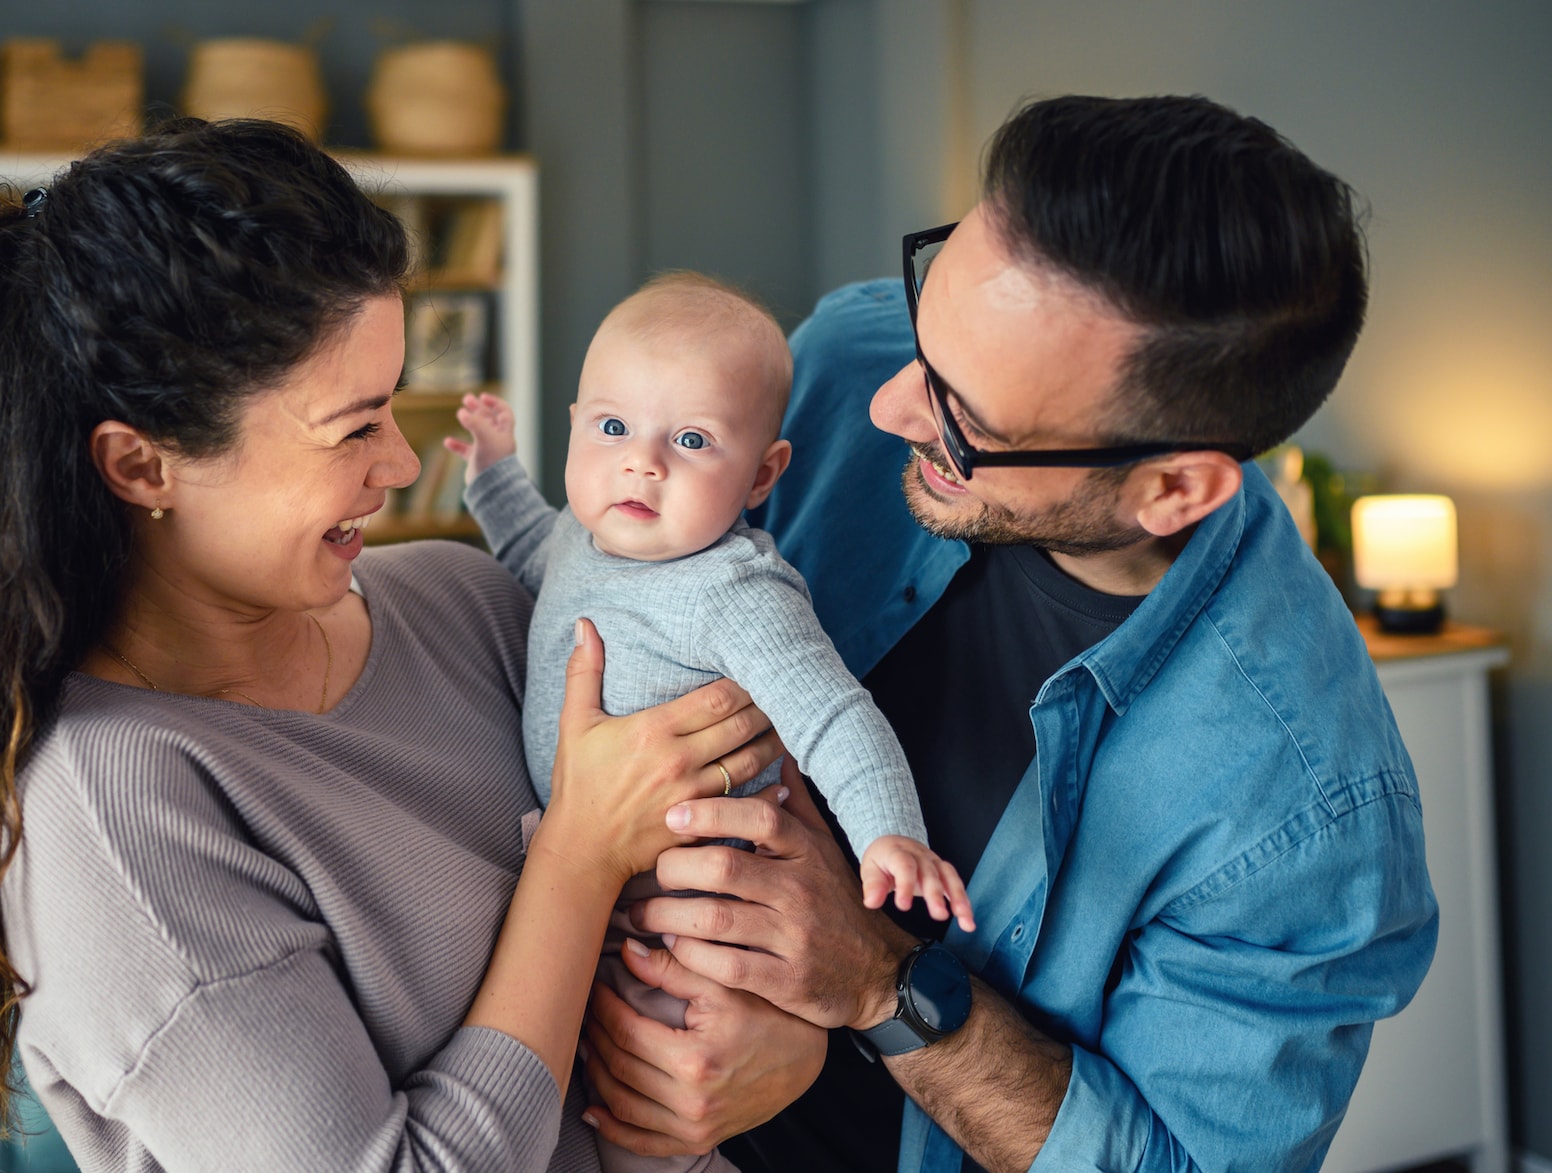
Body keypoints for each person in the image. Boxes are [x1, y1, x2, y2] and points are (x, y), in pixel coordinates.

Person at [0, 118, 797, 1172]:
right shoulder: (114, 815)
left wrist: (781, 1042)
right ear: (142, 467)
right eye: (354, 426)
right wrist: (575, 853)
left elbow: (762, 863)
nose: (398, 461)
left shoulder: (467, 600)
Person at [575, 95, 1441, 1173]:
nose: (886, 404)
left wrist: (880, 987)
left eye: (963, 418)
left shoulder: (1303, 802)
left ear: (1171, 487)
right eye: (922, 316)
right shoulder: (851, 357)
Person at [447, 274, 973, 1173]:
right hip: (596, 889)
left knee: (647, 1110)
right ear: (574, 424)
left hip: (694, 924)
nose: (641, 463)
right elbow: (532, 549)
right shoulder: (588, 533)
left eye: (690, 440)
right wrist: (495, 472)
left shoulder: (733, 593)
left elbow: (835, 714)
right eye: (612, 429)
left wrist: (892, 832)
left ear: (763, 472)